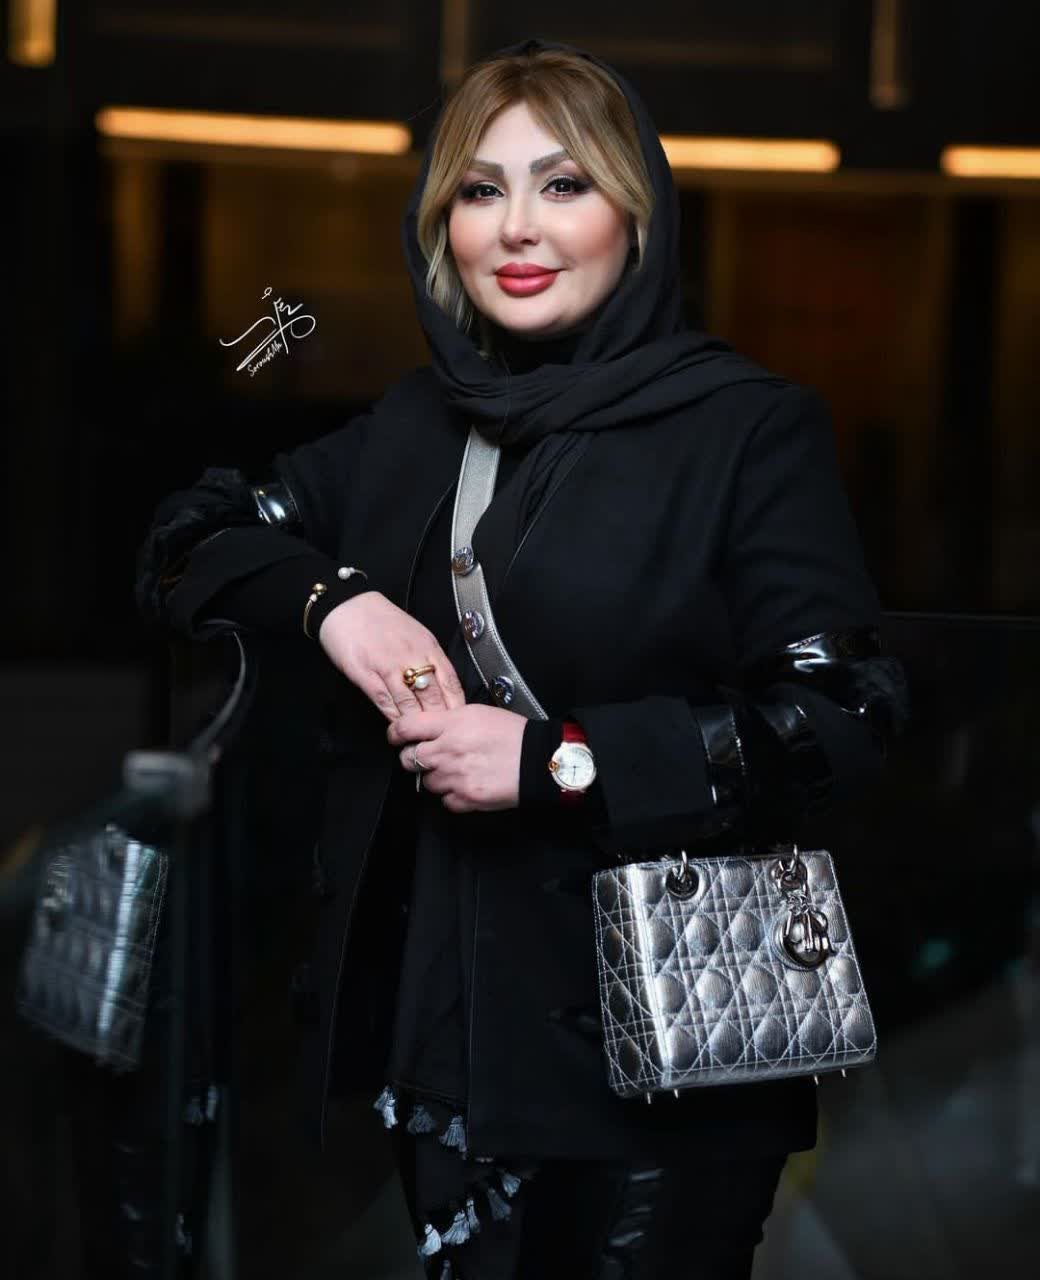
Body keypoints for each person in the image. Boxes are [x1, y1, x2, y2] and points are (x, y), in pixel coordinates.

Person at [135, 37, 909, 1280]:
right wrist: (337, 603)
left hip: (659, 1055)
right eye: (478, 190)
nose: (516, 227)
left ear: (634, 213)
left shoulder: (743, 428)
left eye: (563, 184)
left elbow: (847, 712)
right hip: (443, 1042)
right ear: (439, 224)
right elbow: (184, 541)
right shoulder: (414, 426)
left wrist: (556, 762)